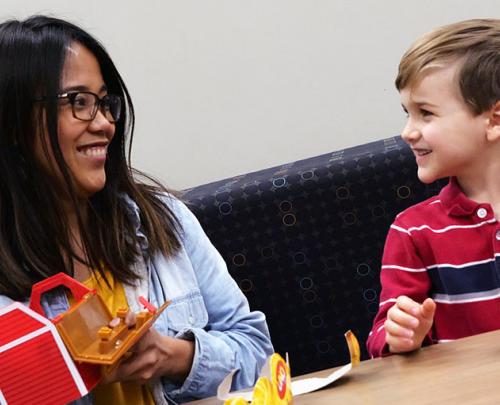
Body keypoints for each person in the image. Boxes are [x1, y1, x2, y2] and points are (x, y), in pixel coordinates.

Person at [0, 15, 273, 404]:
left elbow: (259, 354)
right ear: (13, 123)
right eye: (78, 102)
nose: (105, 123)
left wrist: (175, 357)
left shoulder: (164, 221)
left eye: (104, 102)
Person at [367, 19, 500, 357]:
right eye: (407, 113)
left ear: (494, 120)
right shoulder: (412, 232)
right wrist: (400, 333)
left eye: (425, 113)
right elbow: (382, 336)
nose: (407, 132)